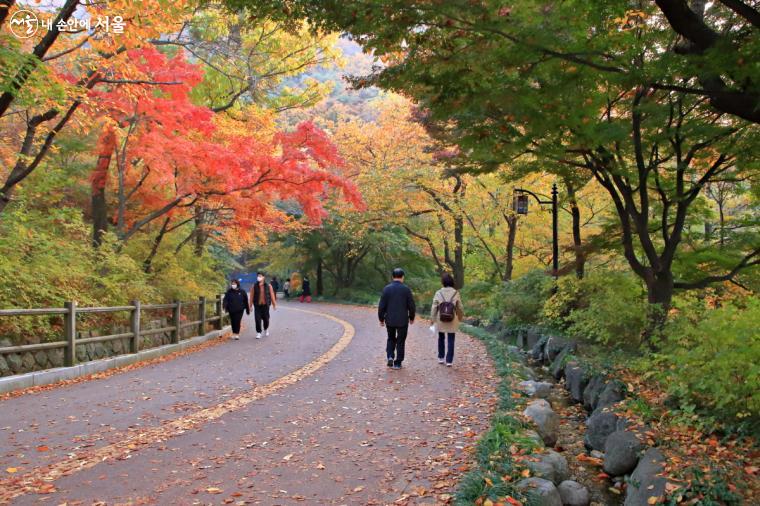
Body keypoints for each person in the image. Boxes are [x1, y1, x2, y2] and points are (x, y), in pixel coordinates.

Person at [378, 268, 416, 369]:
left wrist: (381, 319)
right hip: (402, 320)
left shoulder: (386, 289)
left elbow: (381, 306)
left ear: (392, 277)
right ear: (403, 277)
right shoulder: (406, 289)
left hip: (389, 319)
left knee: (391, 338)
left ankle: (390, 356)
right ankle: (398, 363)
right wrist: (412, 317)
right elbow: (411, 306)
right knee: (400, 340)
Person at [430, 273, 464, 366]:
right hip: (452, 319)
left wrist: (432, 319)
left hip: (441, 319)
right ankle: (449, 360)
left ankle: (441, 357)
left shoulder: (438, 293)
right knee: (451, 339)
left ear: (443, 282)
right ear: (452, 282)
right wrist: (460, 317)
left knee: (441, 338)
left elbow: (434, 307)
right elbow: (460, 307)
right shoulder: (456, 293)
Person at [249, 272, 277, 339]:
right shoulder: (254, 286)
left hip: (265, 305)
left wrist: (274, 304)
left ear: (263, 277)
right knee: (257, 319)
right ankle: (258, 332)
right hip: (257, 305)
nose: (259, 277)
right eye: (258, 276)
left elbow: (272, 295)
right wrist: (250, 306)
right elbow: (251, 296)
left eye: (260, 276)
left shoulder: (268, 286)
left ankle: (266, 328)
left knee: (266, 319)